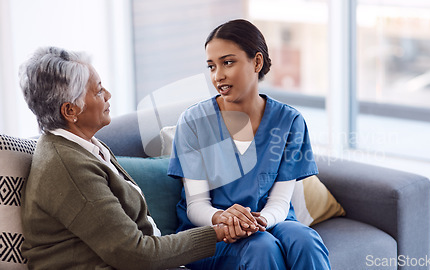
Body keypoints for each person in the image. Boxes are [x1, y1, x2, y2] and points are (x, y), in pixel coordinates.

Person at [19, 46, 228, 270]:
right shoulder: (68, 167)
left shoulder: (83, 148)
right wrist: (216, 233)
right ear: (70, 111)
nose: (108, 95)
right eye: (98, 91)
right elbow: (136, 256)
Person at [168, 19, 331, 269]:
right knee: (261, 246)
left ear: (257, 62)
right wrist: (224, 219)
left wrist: (255, 223)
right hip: (212, 230)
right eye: (211, 66)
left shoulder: (289, 121)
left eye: (228, 62)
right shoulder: (194, 122)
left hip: (270, 222)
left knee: (306, 239)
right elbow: (196, 205)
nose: (217, 75)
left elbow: (280, 201)